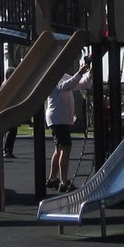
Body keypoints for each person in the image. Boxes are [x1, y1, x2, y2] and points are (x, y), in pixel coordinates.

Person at [45, 57, 92, 192]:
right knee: (66, 148)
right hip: (57, 119)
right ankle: (64, 182)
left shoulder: (63, 76)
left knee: (59, 149)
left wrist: (89, 74)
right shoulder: (50, 77)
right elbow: (65, 86)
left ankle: (53, 179)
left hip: (62, 119)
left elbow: (80, 84)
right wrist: (79, 73)